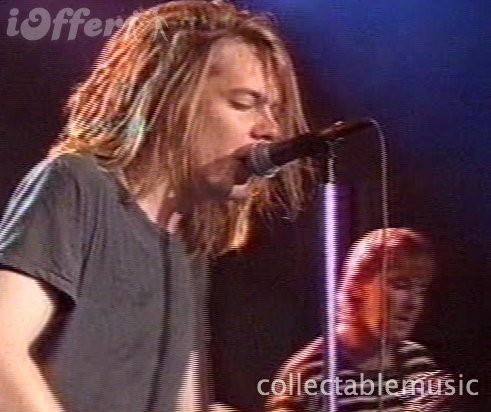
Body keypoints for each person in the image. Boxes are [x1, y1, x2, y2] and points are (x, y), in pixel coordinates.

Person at [0, 1, 314, 411]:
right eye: (243, 103)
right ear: (171, 101)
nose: (270, 129)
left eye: (274, 110)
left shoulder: (187, 244)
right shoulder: (77, 185)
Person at [266, 228, 454, 412]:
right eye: (400, 285)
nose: (413, 302)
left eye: (421, 289)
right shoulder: (311, 371)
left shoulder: (416, 360)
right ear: (356, 287)